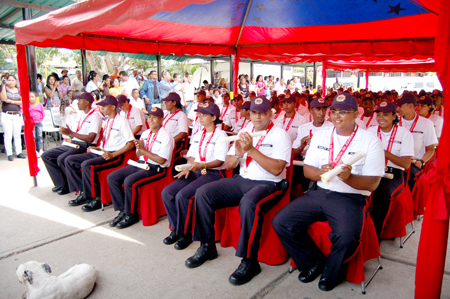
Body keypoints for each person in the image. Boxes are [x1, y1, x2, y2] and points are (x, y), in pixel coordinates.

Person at [272, 93, 385, 292]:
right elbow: (308, 171)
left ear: (355, 114)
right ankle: (312, 262)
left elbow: (373, 184)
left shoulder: (370, 140)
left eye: (344, 111)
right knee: (281, 221)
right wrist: (320, 172)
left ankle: (331, 273)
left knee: (347, 236)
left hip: (349, 197)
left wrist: (349, 178)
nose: (336, 115)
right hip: (320, 192)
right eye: (334, 111)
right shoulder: (322, 136)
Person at [185, 96, 291, 286]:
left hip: (269, 183)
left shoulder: (280, 134)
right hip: (243, 179)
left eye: (262, 113)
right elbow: (229, 164)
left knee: (249, 203)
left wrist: (251, 149)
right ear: (249, 114)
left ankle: (249, 262)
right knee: (203, 193)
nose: (257, 117)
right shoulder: (245, 130)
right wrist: (238, 153)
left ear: (270, 113)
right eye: (253, 113)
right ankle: (207, 245)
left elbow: (277, 169)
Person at [162, 102, 229, 250]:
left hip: (213, 173)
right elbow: (191, 156)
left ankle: (185, 234)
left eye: (204, 115)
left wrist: (201, 165)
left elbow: (220, 160)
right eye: (199, 114)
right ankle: (175, 229)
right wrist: (190, 166)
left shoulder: (221, 135)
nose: (200, 117)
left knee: (182, 196)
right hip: (195, 170)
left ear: (214, 117)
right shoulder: (198, 134)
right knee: (167, 192)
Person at [107, 107, 175, 229]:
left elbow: (161, 160)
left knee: (129, 182)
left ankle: (130, 214)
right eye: (149, 117)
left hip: (156, 168)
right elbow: (138, 154)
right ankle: (122, 209)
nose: (151, 120)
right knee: (112, 177)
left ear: (161, 119)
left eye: (155, 117)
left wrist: (144, 150)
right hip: (140, 163)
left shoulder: (166, 136)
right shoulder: (145, 133)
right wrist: (140, 148)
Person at [64, 95, 135, 212]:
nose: (102, 109)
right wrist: (98, 148)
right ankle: (83, 191)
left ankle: (95, 197)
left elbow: (130, 143)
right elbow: (108, 140)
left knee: (87, 165)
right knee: (70, 160)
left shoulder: (122, 122)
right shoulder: (108, 121)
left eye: (104, 106)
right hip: (103, 151)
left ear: (113, 107)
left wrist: (113, 154)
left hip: (115, 156)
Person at [367, 101, 414, 240]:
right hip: (372, 170)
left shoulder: (404, 134)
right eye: (379, 114)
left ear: (394, 116)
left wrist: (383, 152)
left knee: (381, 195)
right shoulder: (370, 132)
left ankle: (375, 239)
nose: (381, 118)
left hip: (394, 174)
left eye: (385, 115)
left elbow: (406, 164)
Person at [42, 93, 102, 194]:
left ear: (87, 102)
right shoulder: (82, 114)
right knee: (46, 155)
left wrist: (71, 133)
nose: (77, 103)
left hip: (84, 145)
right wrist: (68, 133)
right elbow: (76, 133)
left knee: (63, 159)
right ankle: (61, 183)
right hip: (74, 142)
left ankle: (78, 189)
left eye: (80, 101)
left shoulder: (95, 116)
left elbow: (91, 138)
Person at [395, 92, 438, 192]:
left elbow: (431, 149)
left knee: (408, 180)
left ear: (410, 106)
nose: (398, 109)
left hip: (414, 164)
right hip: (395, 162)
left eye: (400, 106)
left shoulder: (426, 123)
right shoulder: (394, 121)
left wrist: (421, 162)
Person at [1, 75, 25, 161]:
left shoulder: (19, 90)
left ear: (15, 81)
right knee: (8, 135)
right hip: (6, 114)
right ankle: (9, 153)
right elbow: (4, 98)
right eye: (9, 80)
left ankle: (18, 152)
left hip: (17, 114)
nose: (11, 82)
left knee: (17, 134)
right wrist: (3, 85)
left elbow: (22, 102)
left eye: (12, 80)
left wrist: (11, 101)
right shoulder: (4, 88)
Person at [29, 91, 45, 157]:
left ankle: (40, 149)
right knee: (33, 137)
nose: (30, 98)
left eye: (32, 97)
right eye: (29, 97)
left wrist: (41, 118)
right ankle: (34, 150)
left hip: (38, 123)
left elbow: (43, 113)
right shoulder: (27, 105)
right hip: (31, 124)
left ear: (36, 97)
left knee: (39, 136)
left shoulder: (39, 105)